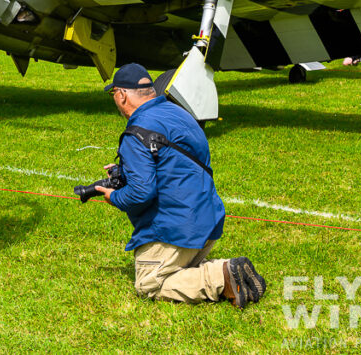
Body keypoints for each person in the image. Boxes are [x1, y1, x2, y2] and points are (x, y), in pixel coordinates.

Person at [93, 63, 266, 306]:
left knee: (149, 284)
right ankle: (227, 270)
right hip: (208, 221)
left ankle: (222, 275)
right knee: (175, 270)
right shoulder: (179, 113)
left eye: (114, 94)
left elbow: (141, 193)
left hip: (178, 230)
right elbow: (174, 163)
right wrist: (125, 170)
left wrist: (114, 197)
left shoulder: (136, 132)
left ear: (121, 95)